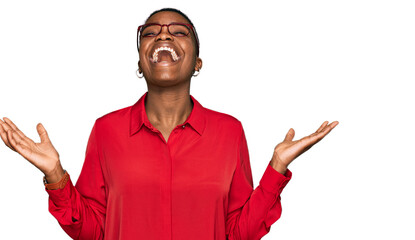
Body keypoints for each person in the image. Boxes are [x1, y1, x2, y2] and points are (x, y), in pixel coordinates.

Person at [0, 7, 338, 240]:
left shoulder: (229, 131)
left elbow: (237, 232)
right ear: (140, 60)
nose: (164, 36)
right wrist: (55, 175)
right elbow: (94, 232)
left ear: (197, 63)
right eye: (150, 33)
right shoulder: (106, 131)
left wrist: (277, 168)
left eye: (179, 32)